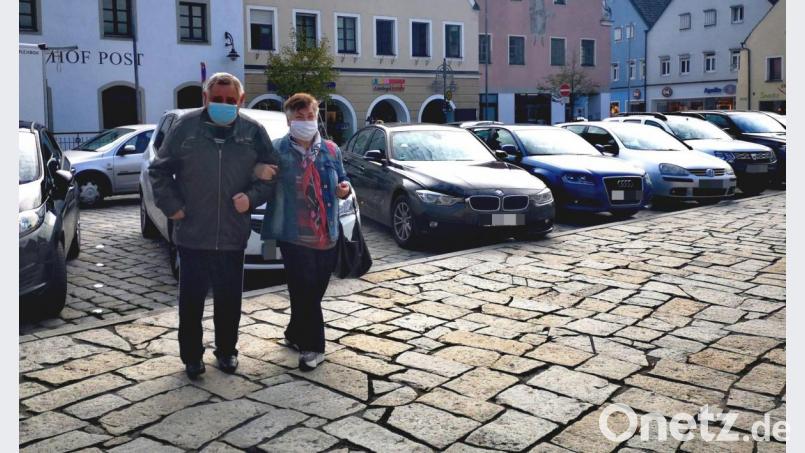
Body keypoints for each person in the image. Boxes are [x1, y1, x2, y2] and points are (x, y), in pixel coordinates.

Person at [149, 72, 277, 379]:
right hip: (193, 232)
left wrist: (252, 196)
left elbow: (273, 174)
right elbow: (160, 171)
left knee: (229, 301)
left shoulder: (253, 132)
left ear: (240, 101)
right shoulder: (186, 127)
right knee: (191, 303)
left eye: (230, 100)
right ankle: (192, 356)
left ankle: (227, 351)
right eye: (217, 99)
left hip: (233, 234)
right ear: (206, 98)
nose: (223, 104)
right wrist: (173, 207)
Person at [259, 93, 351, 371]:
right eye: (299, 117)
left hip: (327, 233)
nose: (306, 121)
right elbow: (264, 185)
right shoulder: (277, 150)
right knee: (306, 290)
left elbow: (344, 180)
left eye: (310, 116)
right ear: (289, 121)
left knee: (311, 292)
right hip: (293, 234)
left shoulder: (332, 150)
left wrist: (344, 188)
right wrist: (258, 172)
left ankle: (294, 332)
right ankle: (313, 347)